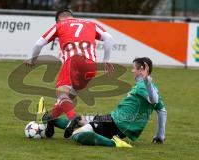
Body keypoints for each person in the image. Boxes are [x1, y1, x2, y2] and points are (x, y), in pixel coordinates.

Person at [24, 8, 114, 138]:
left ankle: (73, 118)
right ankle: (50, 119)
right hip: (90, 66)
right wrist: (106, 59)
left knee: (61, 94)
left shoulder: (59, 25)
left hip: (73, 62)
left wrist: (33, 60)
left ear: (59, 19)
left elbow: (38, 44)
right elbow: (109, 38)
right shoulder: (91, 24)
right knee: (67, 98)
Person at [67, 57, 167, 147]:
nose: (132, 71)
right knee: (82, 120)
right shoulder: (153, 88)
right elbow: (162, 110)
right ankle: (53, 120)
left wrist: (147, 82)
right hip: (114, 119)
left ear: (141, 70)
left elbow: (154, 100)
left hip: (117, 123)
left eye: (134, 68)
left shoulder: (144, 86)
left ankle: (113, 143)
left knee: (76, 135)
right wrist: (160, 136)